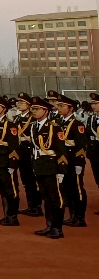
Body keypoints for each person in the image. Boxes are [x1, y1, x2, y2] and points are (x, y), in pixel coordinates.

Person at [26, 96, 67, 239]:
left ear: (46, 111)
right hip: (39, 166)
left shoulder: (54, 127)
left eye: (37, 109)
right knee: (46, 198)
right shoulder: (33, 126)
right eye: (32, 109)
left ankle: (57, 228)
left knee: (56, 198)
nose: (33, 111)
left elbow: (61, 151)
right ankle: (49, 225)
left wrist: (61, 171)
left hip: (52, 166)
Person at [53, 95, 88, 227]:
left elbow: (81, 146)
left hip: (73, 161)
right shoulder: (59, 123)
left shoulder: (77, 124)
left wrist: (79, 163)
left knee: (77, 188)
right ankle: (72, 215)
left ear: (71, 108)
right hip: (63, 161)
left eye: (62, 106)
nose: (59, 108)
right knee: (67, 189)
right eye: (58, 106)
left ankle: (80, 217)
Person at [0, 95, 20, 226]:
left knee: (10, 189)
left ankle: (13, 216)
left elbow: (14, 146)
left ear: (4, 108)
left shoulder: (10, 124)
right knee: (2, 189)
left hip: (6, 161)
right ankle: (6, 215)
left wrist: (12, 163)